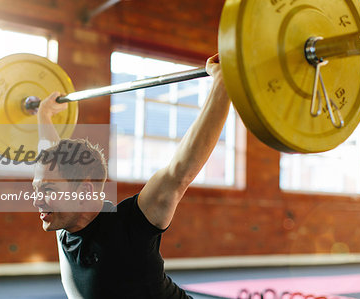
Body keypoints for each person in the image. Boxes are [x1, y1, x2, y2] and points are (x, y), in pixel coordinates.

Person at [32, 53, 230, 299]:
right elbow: (49, 154)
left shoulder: (130, 227)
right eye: (37, 189)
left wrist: (223, 83)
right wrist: (44, 115)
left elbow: (181, 170)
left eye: (48, 191)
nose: (37, 199)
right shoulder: (64, 223)